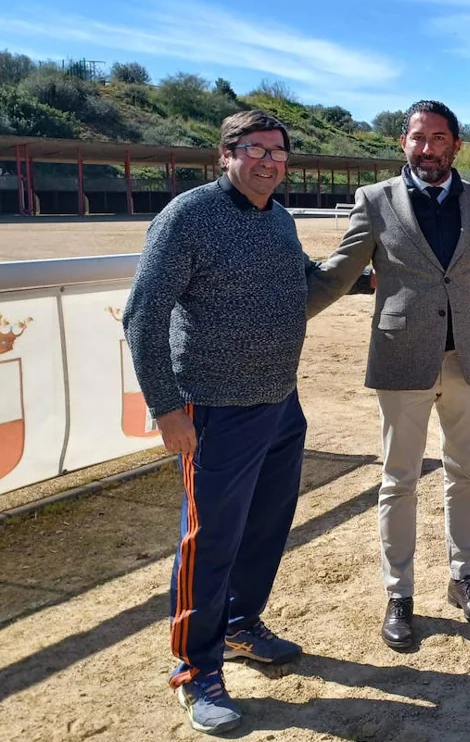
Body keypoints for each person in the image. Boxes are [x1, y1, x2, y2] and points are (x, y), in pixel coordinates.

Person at [124, 110, 309, 735]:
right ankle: (195, 668)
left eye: (277, 152)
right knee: (208, 544)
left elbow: (302, 284)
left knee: (264, 528)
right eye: (254, 150)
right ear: (224, 156)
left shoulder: (280, 219)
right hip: (214, 410)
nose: (268, 161)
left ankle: (239, 626)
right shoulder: (189, 216)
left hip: (281, 403)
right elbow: (143, 316)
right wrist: (167, 408)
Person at [306, 100, 470, 652]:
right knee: (398, 480)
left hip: (469, 361)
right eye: (418, 138)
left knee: (464, 473)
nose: (428, 148)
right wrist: (284, 309)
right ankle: (399, 594)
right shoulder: (375, 202)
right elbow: (337, 274)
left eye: (439, 138)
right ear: (404, 143)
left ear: (456, 145)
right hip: (402, 360)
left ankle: (462, 576)